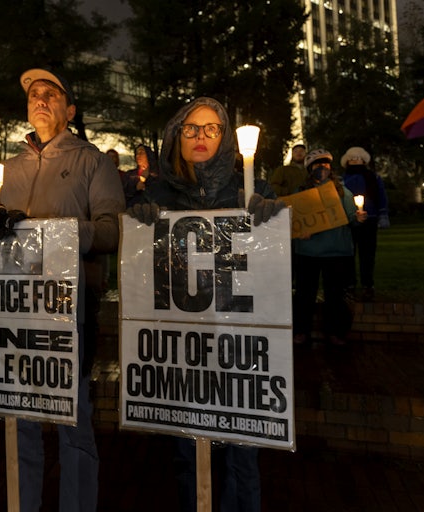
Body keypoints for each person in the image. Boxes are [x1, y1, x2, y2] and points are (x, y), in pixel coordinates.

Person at [0, 68, 125, 511]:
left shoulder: (92, 161)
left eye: (50, 93)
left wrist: (60, 234)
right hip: (14, 310)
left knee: (73, 418)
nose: (40, 99)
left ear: (69, 109)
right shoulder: (7, 169)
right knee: (20, 421)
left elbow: (114, 232)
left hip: (70, 308)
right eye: (34, 94)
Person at [127, 97, 284, 512]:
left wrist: (273, 224)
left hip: (240, 349)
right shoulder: (157, 194)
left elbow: (279, 271)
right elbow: (140, 275)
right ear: (176, 136)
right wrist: (138, 227)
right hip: (185, 352)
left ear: (226, 137)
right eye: (191, 129)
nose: (200, 137)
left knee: (242, 456)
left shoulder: (252, 190)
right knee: (188, 457)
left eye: (211, 129)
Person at [293, 149, 367, 347]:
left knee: (335, 295)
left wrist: (359, 219)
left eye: (325, 164)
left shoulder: (344, 192)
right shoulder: (301, 193)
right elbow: (293, 221)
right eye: (317, 165)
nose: (322, 168)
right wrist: (300, 230)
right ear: (310, 169)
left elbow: (351, 219)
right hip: (307, 252)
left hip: (336, 251)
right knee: (304, 294)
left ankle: (335, 332)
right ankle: (301, 331)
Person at [340, 146, 390, 301]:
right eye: (353, 158)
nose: (356, 161)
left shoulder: (373, 178)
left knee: (367, 254)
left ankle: (368, 284)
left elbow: (381, 196)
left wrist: (382, 214)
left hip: (370, 218)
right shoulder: (342, 180)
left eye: (358, 158)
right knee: (349, 253)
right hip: (348, 220)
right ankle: (349, 284)